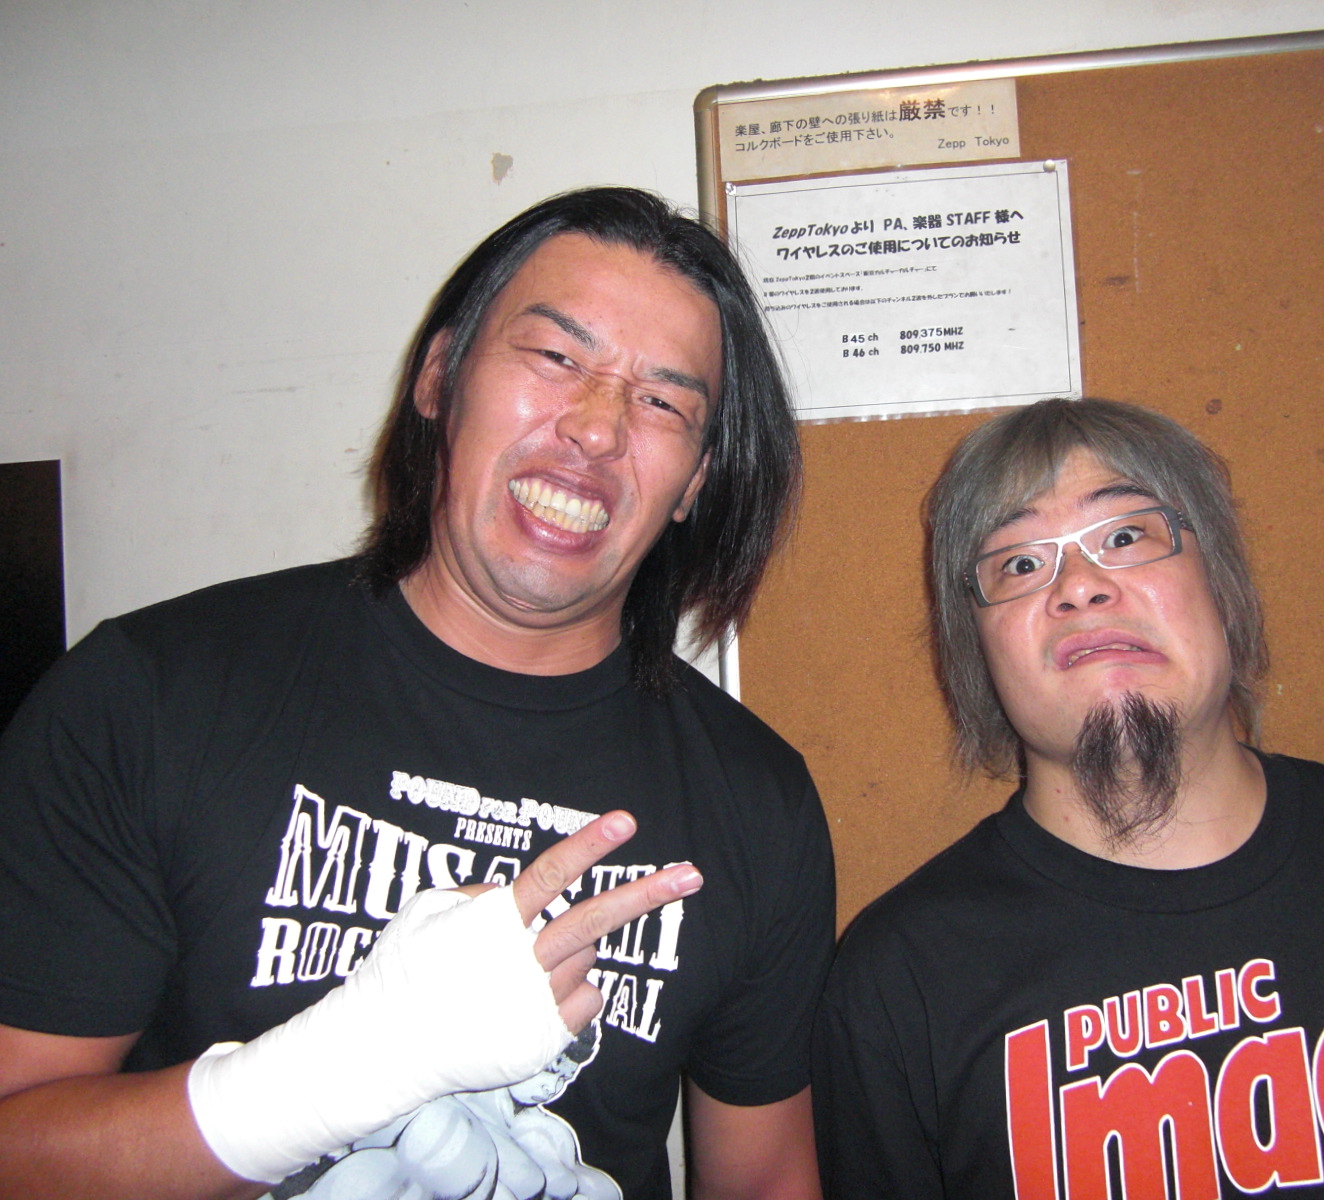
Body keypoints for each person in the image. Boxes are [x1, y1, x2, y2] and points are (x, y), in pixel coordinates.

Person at [0, 187, 834, 1200]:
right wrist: (362, 1060)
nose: (597, 428)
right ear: (440, 377)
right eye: (555, 356)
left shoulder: (757, 801)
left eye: (663, 403)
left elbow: (766, 1180)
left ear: (696, 480)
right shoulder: (149, 696)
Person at [811, 398, 1324, 1198]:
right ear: (975, 650)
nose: (1079, 586)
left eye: (1126, 536)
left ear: (1221, 582)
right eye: (1018, 563)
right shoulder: (899, 980)